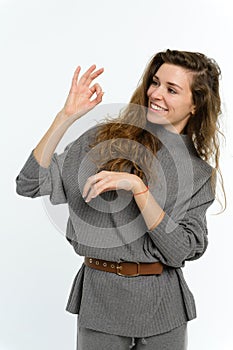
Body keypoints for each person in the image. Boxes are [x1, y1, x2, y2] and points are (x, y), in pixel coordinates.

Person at [15, 49, 226, 350]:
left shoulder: (198, 174)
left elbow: (179, 251)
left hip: (164, 309)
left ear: (195, 104)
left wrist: (139, 189)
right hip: (101, 301)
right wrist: (65, 118)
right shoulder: (102, 140)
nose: (156, 94)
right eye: (155, 82)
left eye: (171, 89)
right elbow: (29, 183)